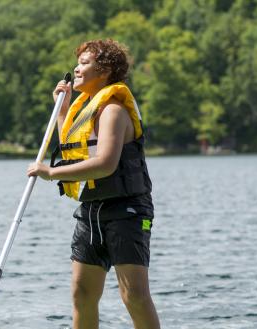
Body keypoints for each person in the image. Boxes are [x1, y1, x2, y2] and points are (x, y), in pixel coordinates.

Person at [27, 39, 160, 329]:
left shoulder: (112, 110)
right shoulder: (83, 107)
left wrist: (51, 173)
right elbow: (73, 148)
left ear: (105, 70)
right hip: (91, 211)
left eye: (85, 63)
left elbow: (105, 163)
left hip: (127, 212)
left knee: (133, 295)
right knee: (82, 293)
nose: (76, 68)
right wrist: (62, 110)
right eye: (78, 62)